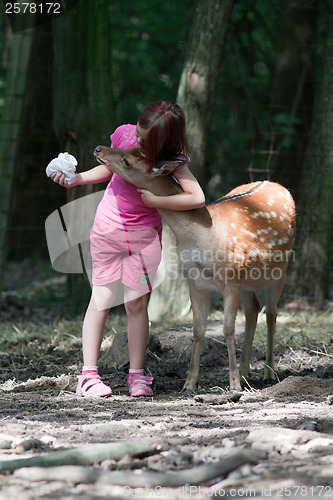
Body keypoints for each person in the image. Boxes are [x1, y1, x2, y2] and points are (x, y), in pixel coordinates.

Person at [50, 100, 205, 397]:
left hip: (144, 239)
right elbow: (110, 170)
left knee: (136, 305)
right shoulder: (124, 135)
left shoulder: (171, 159)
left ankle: (136, 374)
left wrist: (159, 202)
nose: (139, 139)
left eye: (146, 140)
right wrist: (77, 179)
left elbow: (196, 197)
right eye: (139, 131)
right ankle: (88, 376)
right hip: (107, 231)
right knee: (102, 300)